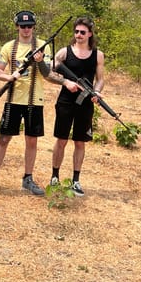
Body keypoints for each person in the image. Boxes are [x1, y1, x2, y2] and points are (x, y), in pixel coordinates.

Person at [0, 10, 51, 196]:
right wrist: (9, 76)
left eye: (29, 26)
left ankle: (28, 178)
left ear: (34, 27)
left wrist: (40, 61)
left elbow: (47, 73)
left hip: (34, 100)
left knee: (32, 140)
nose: (26, 29)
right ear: (17, 27)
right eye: (22, 26)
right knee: (3, 138)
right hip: (13, 99)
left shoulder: (43, 46)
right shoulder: (9, 47)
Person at [50, 16, 105, 196]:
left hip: (86, 103)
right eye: (76, 32)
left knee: (80, 142)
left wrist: (96, 92)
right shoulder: (64, 52)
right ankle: (55, 177)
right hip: (66, 100)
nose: (79, 35)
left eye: (82, 32)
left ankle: (75, 180)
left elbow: (100, 79)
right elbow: (49, 71)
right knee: (62, 139)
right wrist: (66, 82)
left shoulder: (97, 55)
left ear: (90, 34)